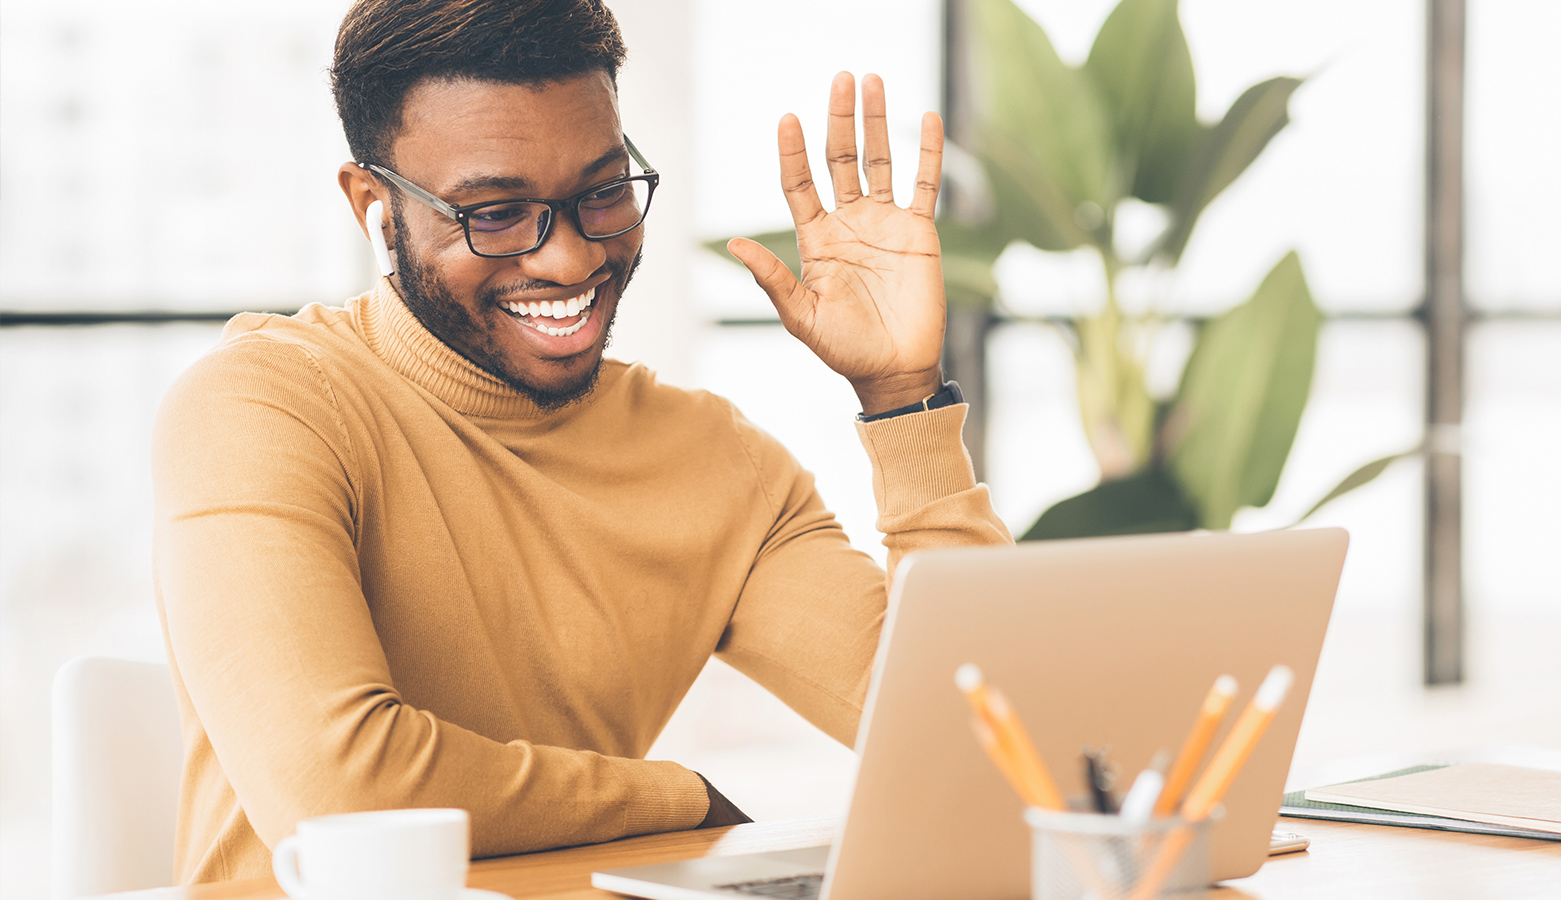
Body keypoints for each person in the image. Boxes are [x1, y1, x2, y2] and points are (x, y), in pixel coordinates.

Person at [152, 0, 1010, 884]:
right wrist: (678, 800)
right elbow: (337, 792)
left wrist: (904, 399)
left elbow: (984, 741)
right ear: (374, 204)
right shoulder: (262, 406)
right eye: (495, 214)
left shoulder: (713, 463)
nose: (567, 261)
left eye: (602, 193)